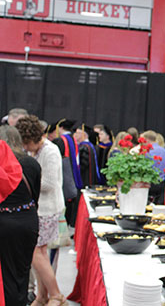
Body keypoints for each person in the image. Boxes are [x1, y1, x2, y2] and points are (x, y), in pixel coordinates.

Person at [15, 116, 67, 306]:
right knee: (40, 254)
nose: (25, 147)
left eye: (26, 143)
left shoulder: (50, 151)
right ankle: (42, 296)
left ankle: (56, 295)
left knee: (36, 253)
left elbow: (49, 184)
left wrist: (23, 182)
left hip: (48, 209)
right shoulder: (34, 152)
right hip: (39, 209)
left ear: (34, 138)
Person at [0, 127, 40, 306]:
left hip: (4, 222)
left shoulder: (2, 165)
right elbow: (35, 196)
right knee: (23, 271)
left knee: (6, 274)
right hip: (28, 220)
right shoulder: (31, 163)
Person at [73, 123, 102, 187]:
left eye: (78, 133)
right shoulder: (89, 146)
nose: (75, 135)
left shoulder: (85, 147)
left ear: (84, 135)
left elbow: (83, 165)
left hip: (85, 179)